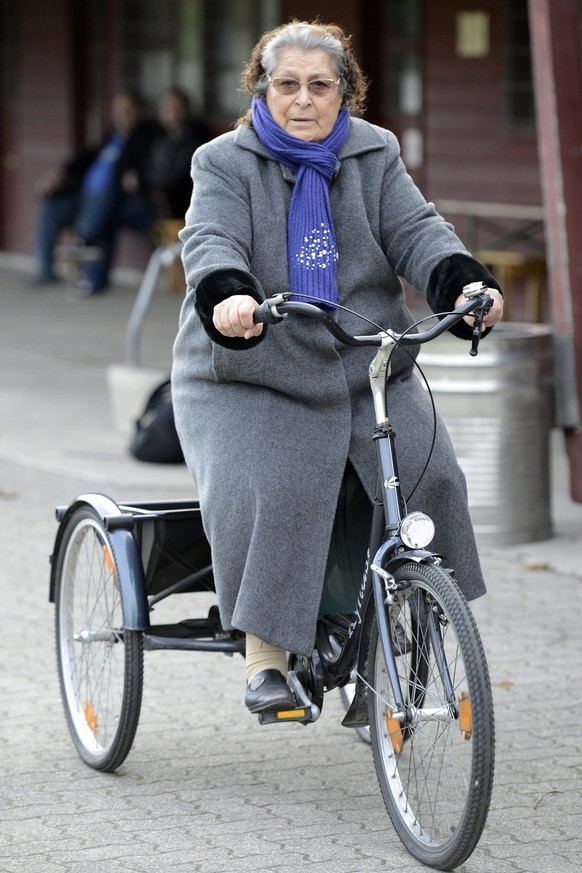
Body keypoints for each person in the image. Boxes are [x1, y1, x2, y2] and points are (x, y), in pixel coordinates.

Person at [171, 20, 504, 716]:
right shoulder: (223, 162)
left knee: (430, 472)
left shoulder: (374, 151)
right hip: (255, 369)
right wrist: (230, 297)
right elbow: (210, 240)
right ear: (262, 90)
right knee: (277, 481)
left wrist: (464, 285)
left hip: (365, 361)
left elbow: (418, 232)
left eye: (320, 86)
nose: (302, 100)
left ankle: (405, 621)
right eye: (286, 84)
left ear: (345, 93)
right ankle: (266, 656)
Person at [32, 90, 160, 296]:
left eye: (128, 111)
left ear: (140, 112)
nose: (122, 117)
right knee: (51, 208)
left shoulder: (146, 135)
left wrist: (136, 175)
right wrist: (61, 173)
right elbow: (84, 158)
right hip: (85, 197)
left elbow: (137, 168)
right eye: (118, 112)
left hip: (124, 200)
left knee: (104, 214)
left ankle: (88, 251)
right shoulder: (111, 136)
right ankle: (45, 270)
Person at [146, 86, 212, 220]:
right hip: (155, 195)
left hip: (182, 201)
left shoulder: (196, 137)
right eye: (167, 108)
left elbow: (177, 177)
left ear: (187, 110)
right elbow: (147, 166)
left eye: (176, 107)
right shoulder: (159, 135)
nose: (171, 112)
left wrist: (147, 183)